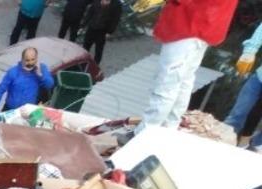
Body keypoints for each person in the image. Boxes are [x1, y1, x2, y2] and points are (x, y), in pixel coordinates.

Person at [140, 0, 238, 130]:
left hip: (188, 24)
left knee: (167, 82)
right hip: (202, 24)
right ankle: (169, 126)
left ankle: (147, 130)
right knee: (183, 81)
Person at [226, 22, 262, 149]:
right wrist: (250, 51)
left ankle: (253, 146)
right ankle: (222, 139)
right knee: (237, 114)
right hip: (259, 77)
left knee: (258, 142)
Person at [0, 47, 54, 111]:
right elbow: (0, 90)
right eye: (27, 60)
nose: (30, 63)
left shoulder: (41, 69)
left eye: (33, 59)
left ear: (37, 58)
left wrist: (40, 75)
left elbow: (50, 85)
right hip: (10, 110)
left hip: (28, 111)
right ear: (22, 59)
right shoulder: (13, 72)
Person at [81, 0, 121, 65]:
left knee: (98, 50)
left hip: (102, 31)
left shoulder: (116, 4)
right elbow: (90, 13)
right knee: (86, 46)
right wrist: (83, 25)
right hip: (92, 28)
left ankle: (95, 65)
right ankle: (82, 62)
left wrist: (109, 32)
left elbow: (116, 19)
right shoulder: (96, 1)